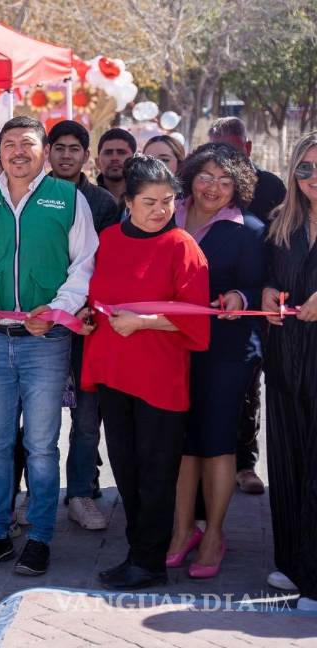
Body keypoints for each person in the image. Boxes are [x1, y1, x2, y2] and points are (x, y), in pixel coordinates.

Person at [0, 116, 98, 577]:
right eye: (10, 143)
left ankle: (39, 538)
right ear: (1, 150)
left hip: (46, 342)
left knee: (40, 445)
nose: (18, 151)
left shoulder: (69, 199)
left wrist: (56, 310)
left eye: (28, 143)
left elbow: (84, 265)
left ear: (45, 150)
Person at [82, 155, 211, 589]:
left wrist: (144, 322)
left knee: (157, 473)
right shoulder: (109, 239)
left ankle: (149, 562)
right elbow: (97, 296)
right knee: (126, 468)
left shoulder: (183, 247)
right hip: (115, 373)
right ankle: (139, 553)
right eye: (150, 202)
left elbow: (196, 317)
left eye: (169, 201)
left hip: (160, 379)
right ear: (129, 203)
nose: (161, 210)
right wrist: (86, 317)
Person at [166, 144, 266, 579]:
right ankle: (181, 530)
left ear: (238, 187)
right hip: (171, 345)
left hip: (227, 349)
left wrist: (237, 297)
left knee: (217, 442)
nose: (214, 188)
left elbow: (255, 285)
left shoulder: (249, 231)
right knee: (182, 442)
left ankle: (214, 536)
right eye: (206, 177)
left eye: (226, 181)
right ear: (191, 176)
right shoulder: (167, 214)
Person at [45, 120, 120, 531]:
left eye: (75, 148)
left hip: (86, 324)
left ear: (85, 155)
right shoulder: (32, 195)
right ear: (48, 151)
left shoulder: (103, 203)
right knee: (36, 417)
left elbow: (104, 265)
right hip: (37, 322)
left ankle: (80, 493)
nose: (67, 155)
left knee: (87, 416)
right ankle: (35, 496)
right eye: (59, 147)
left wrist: (89, 309)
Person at [208, 116, 286, 496]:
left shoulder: (272, 186)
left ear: (248, 148)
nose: (224, 162)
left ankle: (246, 462)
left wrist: (268, 288)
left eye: (232, 151)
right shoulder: (201, 185)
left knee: (251, 385)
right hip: (214, 302)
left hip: (265, 296)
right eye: (216, 152)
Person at [261, 132, 317, 610]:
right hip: (285, 355)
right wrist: (264, 293)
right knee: (287, 456)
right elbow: (269, 278)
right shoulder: (281, 223)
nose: (314, 178)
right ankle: (294, 562)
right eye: (305, 169)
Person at [96, 128, 137, 203]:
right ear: (97, 162)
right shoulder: (84, 200)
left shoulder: (146, 199)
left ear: (134, 160)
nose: (115, 158)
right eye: (108, 153)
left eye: (121, 152)